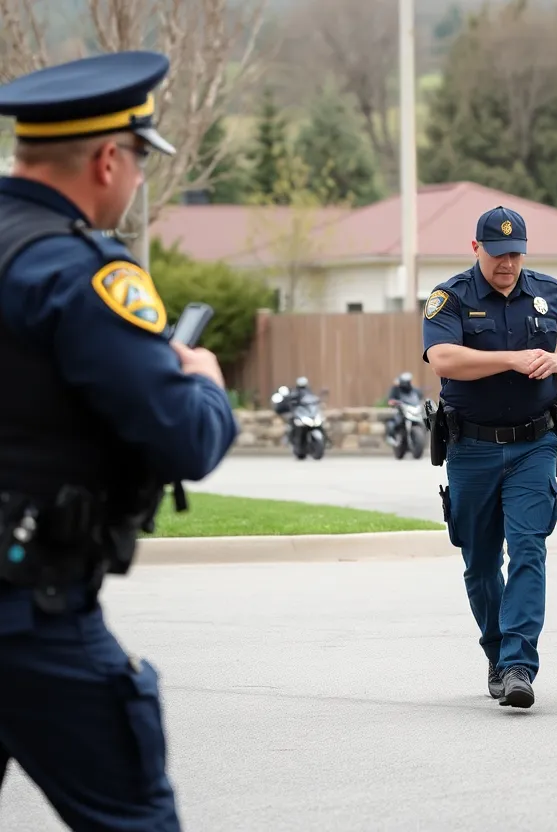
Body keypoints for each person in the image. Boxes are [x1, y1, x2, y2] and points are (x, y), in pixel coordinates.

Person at [0, 52, 238, 830]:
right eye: (138, 159)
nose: (136, 178)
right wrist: (202, 377)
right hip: (31, 614)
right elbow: (185, 439)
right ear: (108, 159)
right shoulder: (80, 273)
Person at [422, 206, 557, 709]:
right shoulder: (449, 297)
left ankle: (519, 663)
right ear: (476, 249)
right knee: (479, 563)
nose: (507, 264)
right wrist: (511, 360)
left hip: (534, 446)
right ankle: (497, 655)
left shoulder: (548, 291)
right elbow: (443, 358)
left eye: (515, 253)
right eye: (498, 254)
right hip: (470, 447)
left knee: (528, 549)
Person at [384, 371, 421, 438]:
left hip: (411, 409)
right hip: (400, 410)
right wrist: (393, 402)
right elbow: (390, 399)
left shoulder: (414, 390)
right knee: (395, 422)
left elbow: (419, 397)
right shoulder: (396, 389)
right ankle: (392, 437)